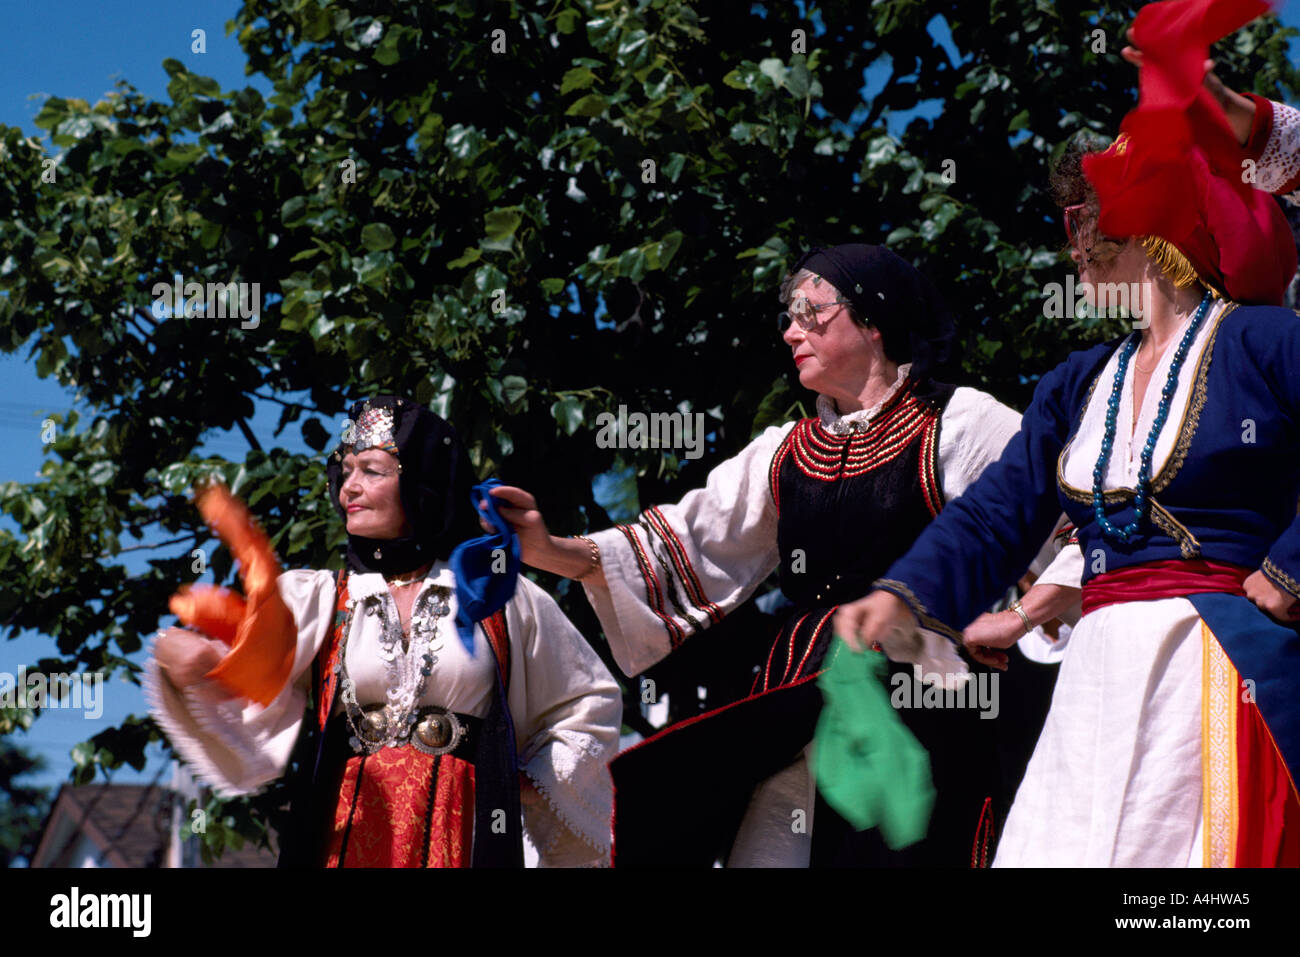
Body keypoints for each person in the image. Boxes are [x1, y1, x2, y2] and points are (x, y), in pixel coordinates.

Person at [835, 0, 1300, 867]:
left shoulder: (1264, 344)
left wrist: (1284, 575)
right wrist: (903, 593)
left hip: (1216, 672)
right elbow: (995, 513)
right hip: (1094, 685)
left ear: (1148, 225)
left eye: (1087, 217)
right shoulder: (1078, 382)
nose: (1073, 246)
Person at [489, 244, 1080, 866]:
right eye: (787, 316)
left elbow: (1075, 526)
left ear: (874, 320)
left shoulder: (960, 423)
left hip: (921, 704)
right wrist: (547, 549)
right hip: (795, 701)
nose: (792, 331)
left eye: (810, 311)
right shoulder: (785, 450)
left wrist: (1018, 616)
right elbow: (681, 545)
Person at [145, 395, 621, 867]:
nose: (348, 488)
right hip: (349, 835)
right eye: (345, 470)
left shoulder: (496, 596)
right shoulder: (319, 598)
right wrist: (185, 661)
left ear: (423, 481)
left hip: (464, 839)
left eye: (372, 471)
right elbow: (246, 685)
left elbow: (589, 701)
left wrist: (526, 784)